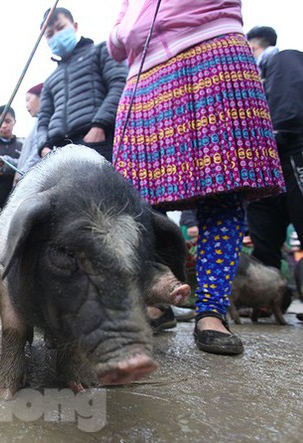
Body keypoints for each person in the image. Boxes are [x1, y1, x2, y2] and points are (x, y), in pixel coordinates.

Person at [108, 0, 285, 355]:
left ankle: (212, 311)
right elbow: (116, 45)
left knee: (223, 188)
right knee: (137, 201)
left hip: (213, 52)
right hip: (146, 75)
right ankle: (156, 300)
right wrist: (128, 31)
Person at [245, 27, 303, 297]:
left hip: (292, 151)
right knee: (263, 234)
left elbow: (289, 110)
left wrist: (276, 136)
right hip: (265, 163)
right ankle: (268, 298)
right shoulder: (253, 81)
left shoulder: (284, 60)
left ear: (254, 46)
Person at [36, 7, 127, 162]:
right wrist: (43, 147)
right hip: (59, 152)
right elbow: (43, 118)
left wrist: (100, 126)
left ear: (75, 26)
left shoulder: (100, 51)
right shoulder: (50, 80)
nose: (56, 35)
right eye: (49, 34)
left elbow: (119, 84)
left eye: (60, 27)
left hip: (97, 141)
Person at [15, 83, 43, 184]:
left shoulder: (43, 123)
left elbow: (36, 154)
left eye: (28, 99)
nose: (26, 105)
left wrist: (22, 175)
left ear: (41, 97)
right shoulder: (37, 123)